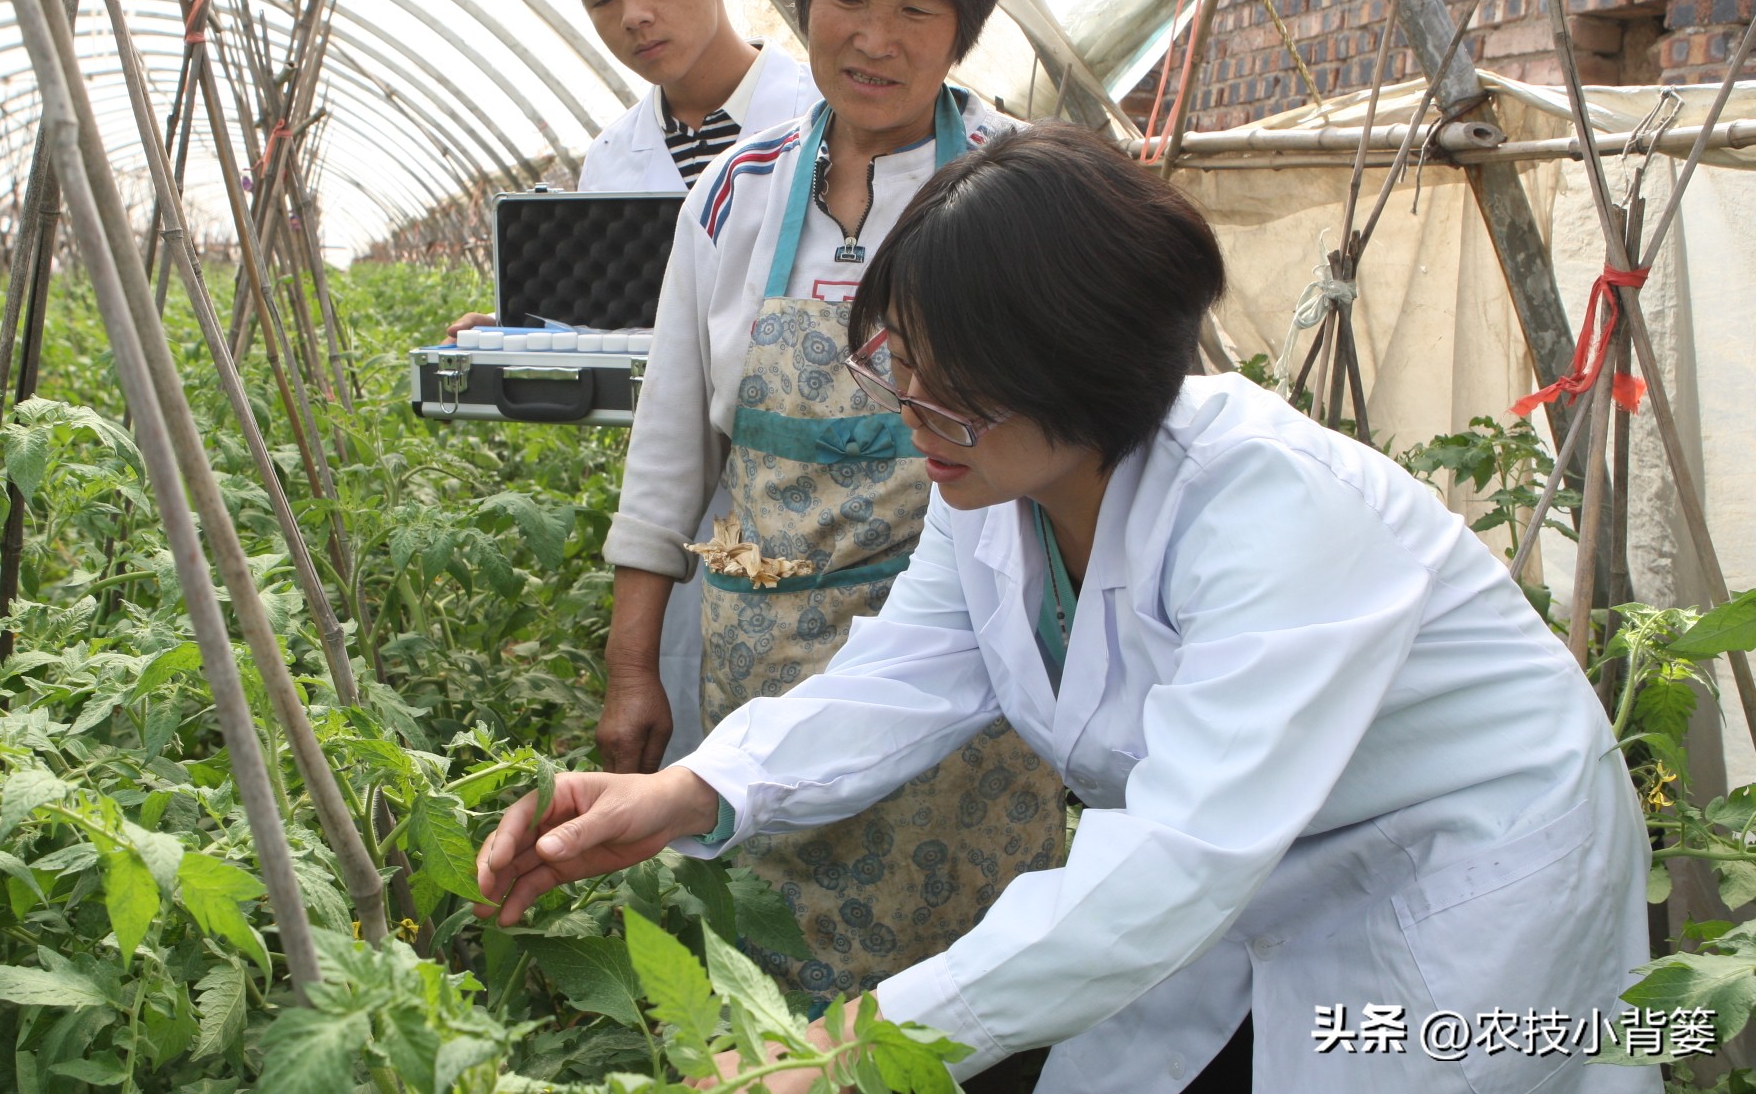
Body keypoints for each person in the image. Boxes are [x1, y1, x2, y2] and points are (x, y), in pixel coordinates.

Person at [477, 123, 1658, 1094]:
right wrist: (691, 791)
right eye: (903, 362)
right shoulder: (997, 479)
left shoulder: (1273, 512)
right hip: (1255, 867)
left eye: (954, 391)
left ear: (1082, 376)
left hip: (1451, 870)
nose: (913, 416)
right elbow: (905, 673)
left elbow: (1175, 861)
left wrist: (844, 1054)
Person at [597, 0, 1066, 1014]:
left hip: (969, 667)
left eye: (915, 8)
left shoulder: (1022, 187)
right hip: (764, 665)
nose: (874, 38)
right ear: (801, 3)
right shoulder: (735, 194)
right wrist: (632, 668)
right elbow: (670, 452)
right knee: (771, 976)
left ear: (965, 25)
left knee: (969, 995)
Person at [445, 0, 817, 765]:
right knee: (707, 753)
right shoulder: (614, 161)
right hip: (690, 508)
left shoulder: (827, 113)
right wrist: (521, 330)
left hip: (831, 503)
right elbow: (639, 338)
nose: (632, 18)